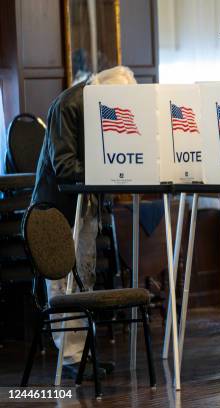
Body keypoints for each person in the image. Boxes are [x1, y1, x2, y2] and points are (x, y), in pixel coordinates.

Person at [31, 66, 137, 379]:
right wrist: (109, 170)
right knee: (63, 283)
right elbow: (64, 166)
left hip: (81, 206)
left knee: (83, 279)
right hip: (55, 210)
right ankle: (70, 358)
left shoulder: (96, 103)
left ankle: (80, 355)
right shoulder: (68, 104)